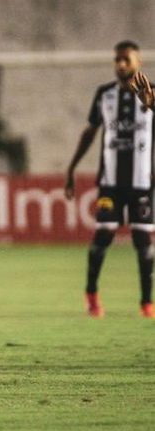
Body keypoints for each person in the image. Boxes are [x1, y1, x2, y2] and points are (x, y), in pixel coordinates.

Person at [65, 40, 155, 319]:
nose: (121, 64)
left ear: (138, 62)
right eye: (117, 60)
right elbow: (90, 133)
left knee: (143, 243)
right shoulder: (105, 94)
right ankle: (91, 294)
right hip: (110, 183)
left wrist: (152, 105)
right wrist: (71, 169)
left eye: (126, 59)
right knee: (103, 235)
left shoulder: (153, 93)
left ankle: (146, 302)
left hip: (142, 182)